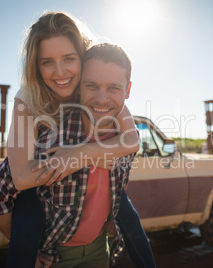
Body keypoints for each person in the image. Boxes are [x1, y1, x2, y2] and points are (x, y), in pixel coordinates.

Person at [0, 12, 156, 268]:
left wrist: (81, 154)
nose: (60, 71)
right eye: (47, 62)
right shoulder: (28, 99)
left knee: (128, 216)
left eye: (69, 58)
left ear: (83, 60)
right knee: (28, 212)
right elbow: (18, 178)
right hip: (40, 187)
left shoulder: (97, 89)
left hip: (95, 244)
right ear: (36, 66)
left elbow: (131, 139)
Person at [36, 43, 137, 268]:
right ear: (79, 86)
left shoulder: (125, 142)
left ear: (128, 90)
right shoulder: (54, 136)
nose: (102, 99)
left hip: (101, 248)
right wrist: (25, 249)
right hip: (54, 255)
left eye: (113, 88)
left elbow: (120, 182)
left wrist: (112, 215)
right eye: (92, 86)